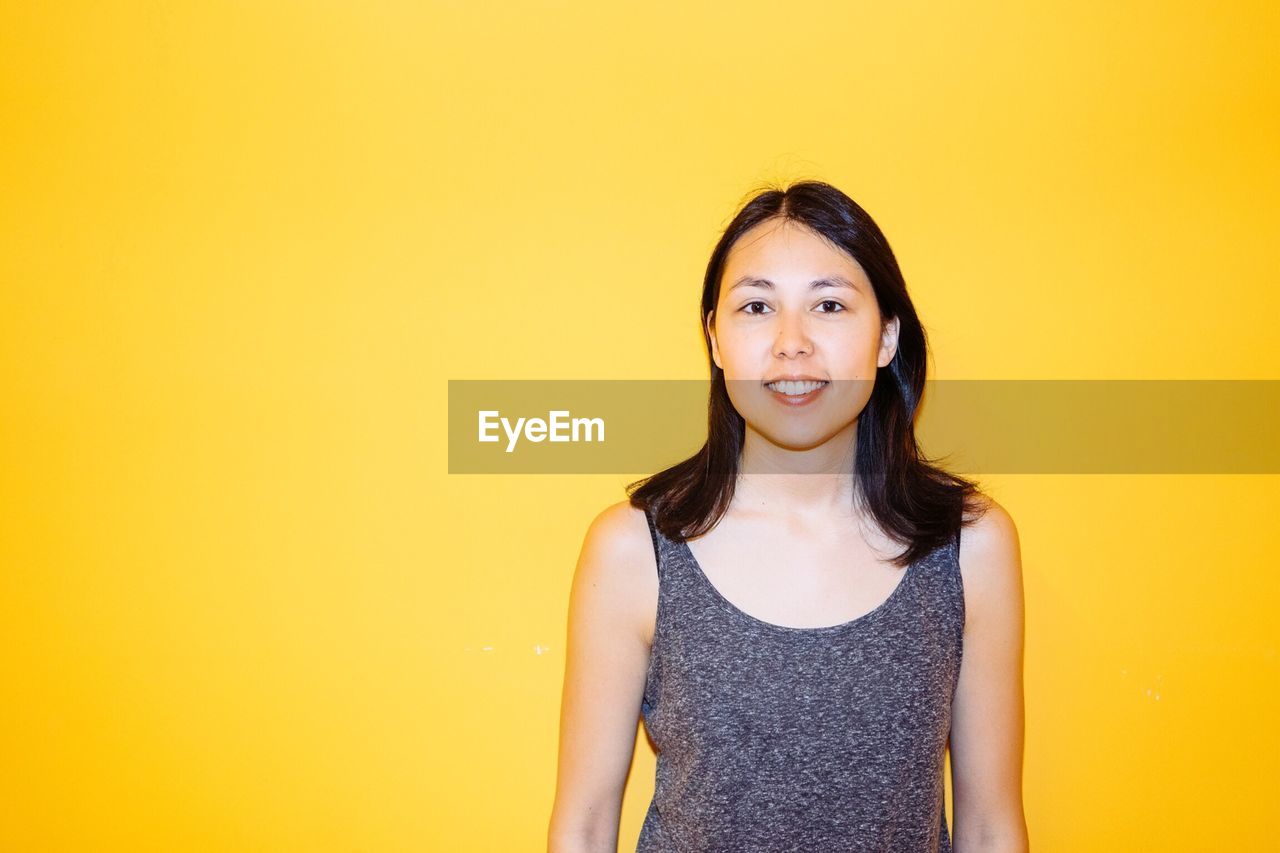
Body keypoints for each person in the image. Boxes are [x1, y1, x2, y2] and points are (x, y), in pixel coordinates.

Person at [547, 181, 1028, 853]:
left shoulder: (969, 545)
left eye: (829, 305)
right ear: (715, 338)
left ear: (886, 336)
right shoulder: (635, 549)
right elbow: (584, 825)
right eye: (756, 306)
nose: (791, 343)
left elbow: (990, 826)